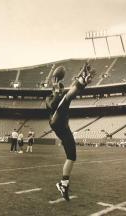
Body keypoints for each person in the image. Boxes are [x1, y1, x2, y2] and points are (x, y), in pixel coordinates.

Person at [45, 62, 96, 201]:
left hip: (63, 127)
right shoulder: (50, 98)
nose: (61, 89)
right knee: (67, 97)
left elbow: (71, 91)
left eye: (61, 88)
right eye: (59, 88)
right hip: (56, 120)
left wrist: (81, 82)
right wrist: (57, 90)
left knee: (72, 156)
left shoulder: (61, 97)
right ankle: (82, 81)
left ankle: (64, 184)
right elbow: (53, 104)